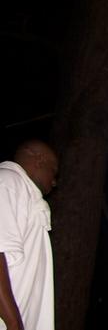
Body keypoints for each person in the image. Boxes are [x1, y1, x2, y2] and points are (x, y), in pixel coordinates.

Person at [0, 140, 59, 330]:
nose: (54, 181)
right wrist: (13, 323)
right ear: (39, 160)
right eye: (53, 171)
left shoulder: (26, 197)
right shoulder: (8, 181)